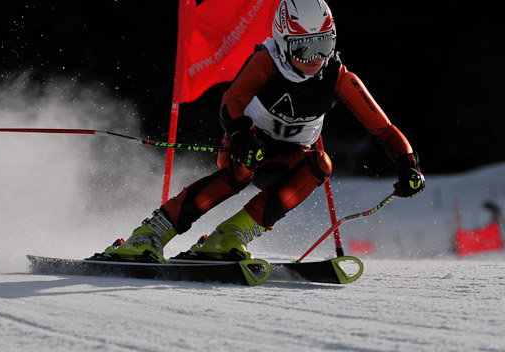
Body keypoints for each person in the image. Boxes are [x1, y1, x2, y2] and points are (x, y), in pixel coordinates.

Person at [90, 0, 425, 263]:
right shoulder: (268, 62)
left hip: (290, 161)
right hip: (248, 146)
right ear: (283, 40)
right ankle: (150, 235)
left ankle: (230, 236)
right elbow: (231, 101)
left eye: (324, 45)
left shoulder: (337, 76)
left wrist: (407, 163)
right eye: (304, 49)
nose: (315, 59)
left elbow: (383, 128)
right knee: (239, 171)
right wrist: (240, 134)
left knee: (320, 164)